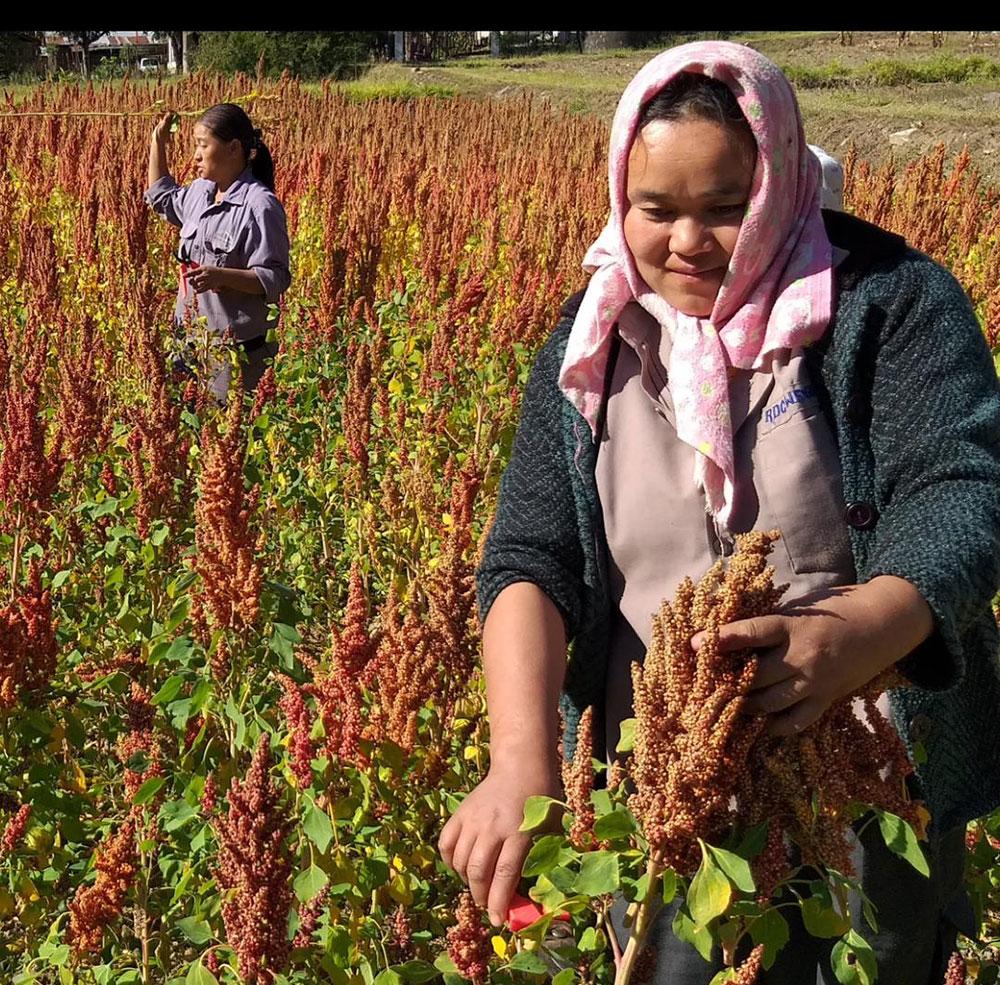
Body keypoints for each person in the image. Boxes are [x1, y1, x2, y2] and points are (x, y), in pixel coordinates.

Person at [438, 41, 1000, 984]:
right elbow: (530, 560)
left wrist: (861, 627)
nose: (688, 241)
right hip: (659, 792)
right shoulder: (591, 344)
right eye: (656, 210)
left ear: (779, 185)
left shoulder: (884, 302)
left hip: (865, 783)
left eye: (725, 209)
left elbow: (965, 491)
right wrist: (520, 759)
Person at [145, 102, 290, 405]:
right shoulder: (200, 191)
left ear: (233, 148)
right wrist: (157, 143)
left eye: (203, 146)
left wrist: (222, 276)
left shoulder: (259, 205)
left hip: (235, 356)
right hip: (187, 343)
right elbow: (161, 198)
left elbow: (275, 278)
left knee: (229, 440)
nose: (195, 155)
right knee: (184, 431)